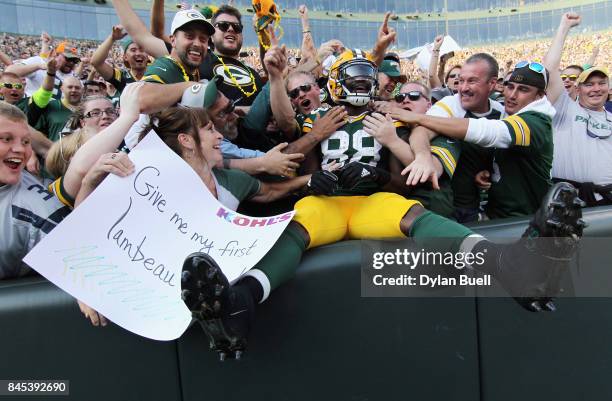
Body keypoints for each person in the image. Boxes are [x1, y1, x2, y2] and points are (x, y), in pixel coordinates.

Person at [179, 51, 585, 358]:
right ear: (336, 82)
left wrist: (378, 176)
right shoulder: (321, 117)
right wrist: (314, 178)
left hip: (374, 199)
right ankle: (239, 303)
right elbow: (303, 163)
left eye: (365, 77)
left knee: (412, 215)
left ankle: (510, 267)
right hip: (330, 202)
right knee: (297, 226)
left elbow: (402, 180)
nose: (359, 84)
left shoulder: (388, 117)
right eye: (352, 77)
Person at [389, 62, 556, 219]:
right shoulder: (506, 112)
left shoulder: (536, 122)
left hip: (527, 217)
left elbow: (487, 131)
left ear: (540, 95)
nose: (512, 95)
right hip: (496, 214)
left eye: (523, 89)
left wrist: (414, 121)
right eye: (510, 86)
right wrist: (491, 172)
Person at [408, 53, 505, 223]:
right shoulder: (450, 104)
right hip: (446, 206)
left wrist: (487, 172)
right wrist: (423, 156)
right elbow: (421, 131)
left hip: (481, 207)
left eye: (472, 81)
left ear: (492, 84)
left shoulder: (502, 112)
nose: (463, 88)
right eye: (461, 80)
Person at [543, 12, 612, 206]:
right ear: (577, 88)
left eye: (601, 83)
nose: (596, 89)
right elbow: (549, 68)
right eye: (589, 84)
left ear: (609, 87)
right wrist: (564, 27)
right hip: (568, 203)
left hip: (607, 203)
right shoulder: (565, 109)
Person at [0, 102, 70, 280]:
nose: (21, 149)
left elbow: (80, 263)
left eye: (26, 141)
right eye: (6, 139)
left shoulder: (35, 209)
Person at [6, 42, 79, 100]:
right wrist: (38, 66)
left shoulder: (74, 78)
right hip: (33, 112)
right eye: (68, 59)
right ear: (56, 54)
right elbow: (10, 71)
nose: (71, 63)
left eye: (74, 60)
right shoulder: (40, 61)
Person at [91, 25, 149, 95]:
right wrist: (112, 38)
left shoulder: (157, 74)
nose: (138, 53)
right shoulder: (121, 77)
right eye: (133, 50)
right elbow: (96, 62)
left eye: (142, 50)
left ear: (147, 55)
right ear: (125, 57)